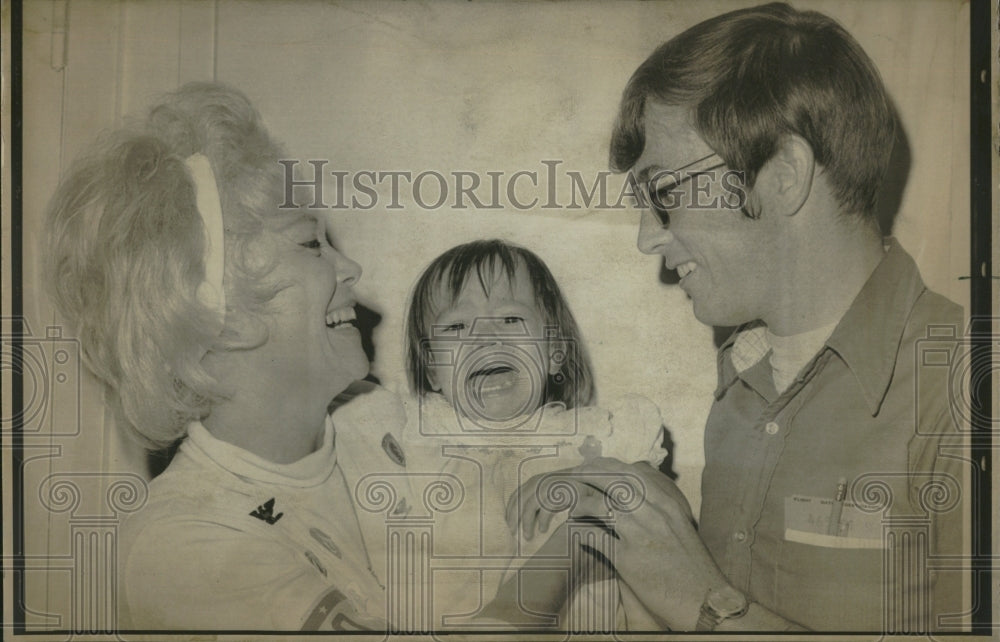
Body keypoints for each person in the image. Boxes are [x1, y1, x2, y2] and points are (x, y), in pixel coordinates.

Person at [510, 2, 966, 632]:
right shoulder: (743, 383)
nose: (648, 239)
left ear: (783, 176)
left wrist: (700, 600)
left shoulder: (966, 389)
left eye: (665, 196)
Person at [44, 82, 387, 630]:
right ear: (217, 311)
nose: (350, 271)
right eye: (309, 244)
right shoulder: (180, 545)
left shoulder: (379, 421)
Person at [333, 239, 667, 629]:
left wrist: (588, 482)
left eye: (511, 320)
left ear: (555, 349)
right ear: (433, 370)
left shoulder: (598, 438)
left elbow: (662, 511)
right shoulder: (410, 434)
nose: (486, 339)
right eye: (457, 326)